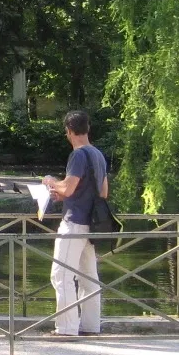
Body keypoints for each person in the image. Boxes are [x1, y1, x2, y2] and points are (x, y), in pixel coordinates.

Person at [42, 109, 108, 336]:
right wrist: (66, 195)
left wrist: (50, 182)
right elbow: (103, 192)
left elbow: (69, 187)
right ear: (88, 129)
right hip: (92, 225)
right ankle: (91, 326)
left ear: (69, 131)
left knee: (61, 276)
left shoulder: (78, 155)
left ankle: (67, 328)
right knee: (89, 278)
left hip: (74, 223)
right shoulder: (98, 155)